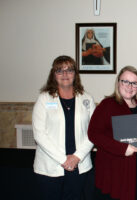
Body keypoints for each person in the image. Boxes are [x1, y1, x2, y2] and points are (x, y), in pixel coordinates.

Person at [32, 55, 96, 200]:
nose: (65, 74)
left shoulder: (87, 98)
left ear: (75, 74)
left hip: (80, 165)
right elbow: (39, 134)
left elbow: (93, 132)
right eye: (60, 70)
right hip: (50, 167)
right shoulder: (44, 99)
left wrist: (76, 157)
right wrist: (64, 160)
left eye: (69, 70)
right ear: (53, 75)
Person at [88, 66, 137, 200]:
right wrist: (122, 148)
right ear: (118, 83)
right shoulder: (107, 105)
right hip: (115, 171)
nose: (130, 86)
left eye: (134, 83)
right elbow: (93, 133)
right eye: (125, 81)